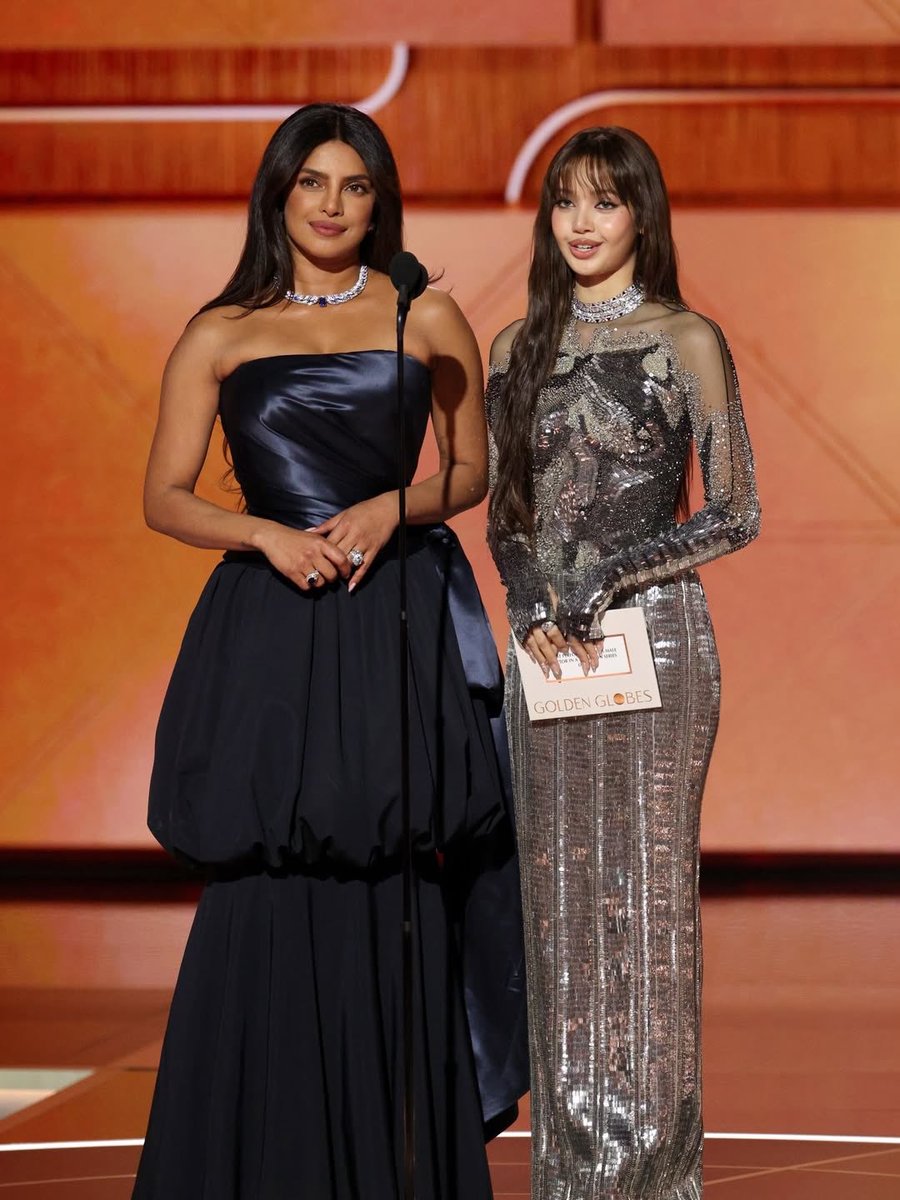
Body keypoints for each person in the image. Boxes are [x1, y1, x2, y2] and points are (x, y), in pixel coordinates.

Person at [133, 103, 527, 1200]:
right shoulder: (220, 329)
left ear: (379, 199)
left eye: (355, 186)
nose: (332, 205)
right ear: (278, 193)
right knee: (267, 861)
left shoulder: (427, 313)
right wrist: (263, 530)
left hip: (387, 610)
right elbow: (164, 498)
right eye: (312, 183)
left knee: (388, 858)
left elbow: (471, 472)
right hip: (269, 618)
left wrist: (388, 509)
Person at [486, 126, 760, 1199]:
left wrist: (614, 577)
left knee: (645, 911)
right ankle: (568, 1176)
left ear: (643, 214)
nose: (583, 224)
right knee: (555, 909)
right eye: (564, 203)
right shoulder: (516, 346)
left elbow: (738, 512)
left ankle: (652, 1179)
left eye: (605, 202)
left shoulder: (687, 338)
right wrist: (529, 595)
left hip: (656, 645)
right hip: (547, 648)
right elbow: (507, 511)